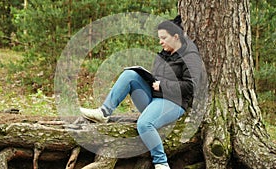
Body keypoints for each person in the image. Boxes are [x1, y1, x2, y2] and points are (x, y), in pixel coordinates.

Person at [79, 15, 203, 169]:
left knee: (144, 124)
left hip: (174, 103)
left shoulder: (190, 56)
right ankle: (103, 113)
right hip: (155, 98)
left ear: (176, 37)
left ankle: (161, 163)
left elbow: (191, 86)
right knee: (129, 74)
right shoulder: (164, 54)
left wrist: (163, 85)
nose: (160, 41)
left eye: (163, 38)